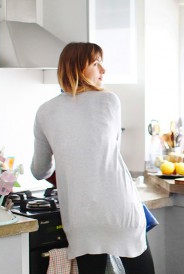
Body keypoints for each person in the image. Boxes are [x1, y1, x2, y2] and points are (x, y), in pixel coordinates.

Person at [31, 42, 155, 274]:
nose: (103, 71)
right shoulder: (109, 100)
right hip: (120, 211)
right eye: (96, 63)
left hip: (81, 218)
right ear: (77, 67)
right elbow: (104, 150)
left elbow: (40, 171)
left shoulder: (44, 111)